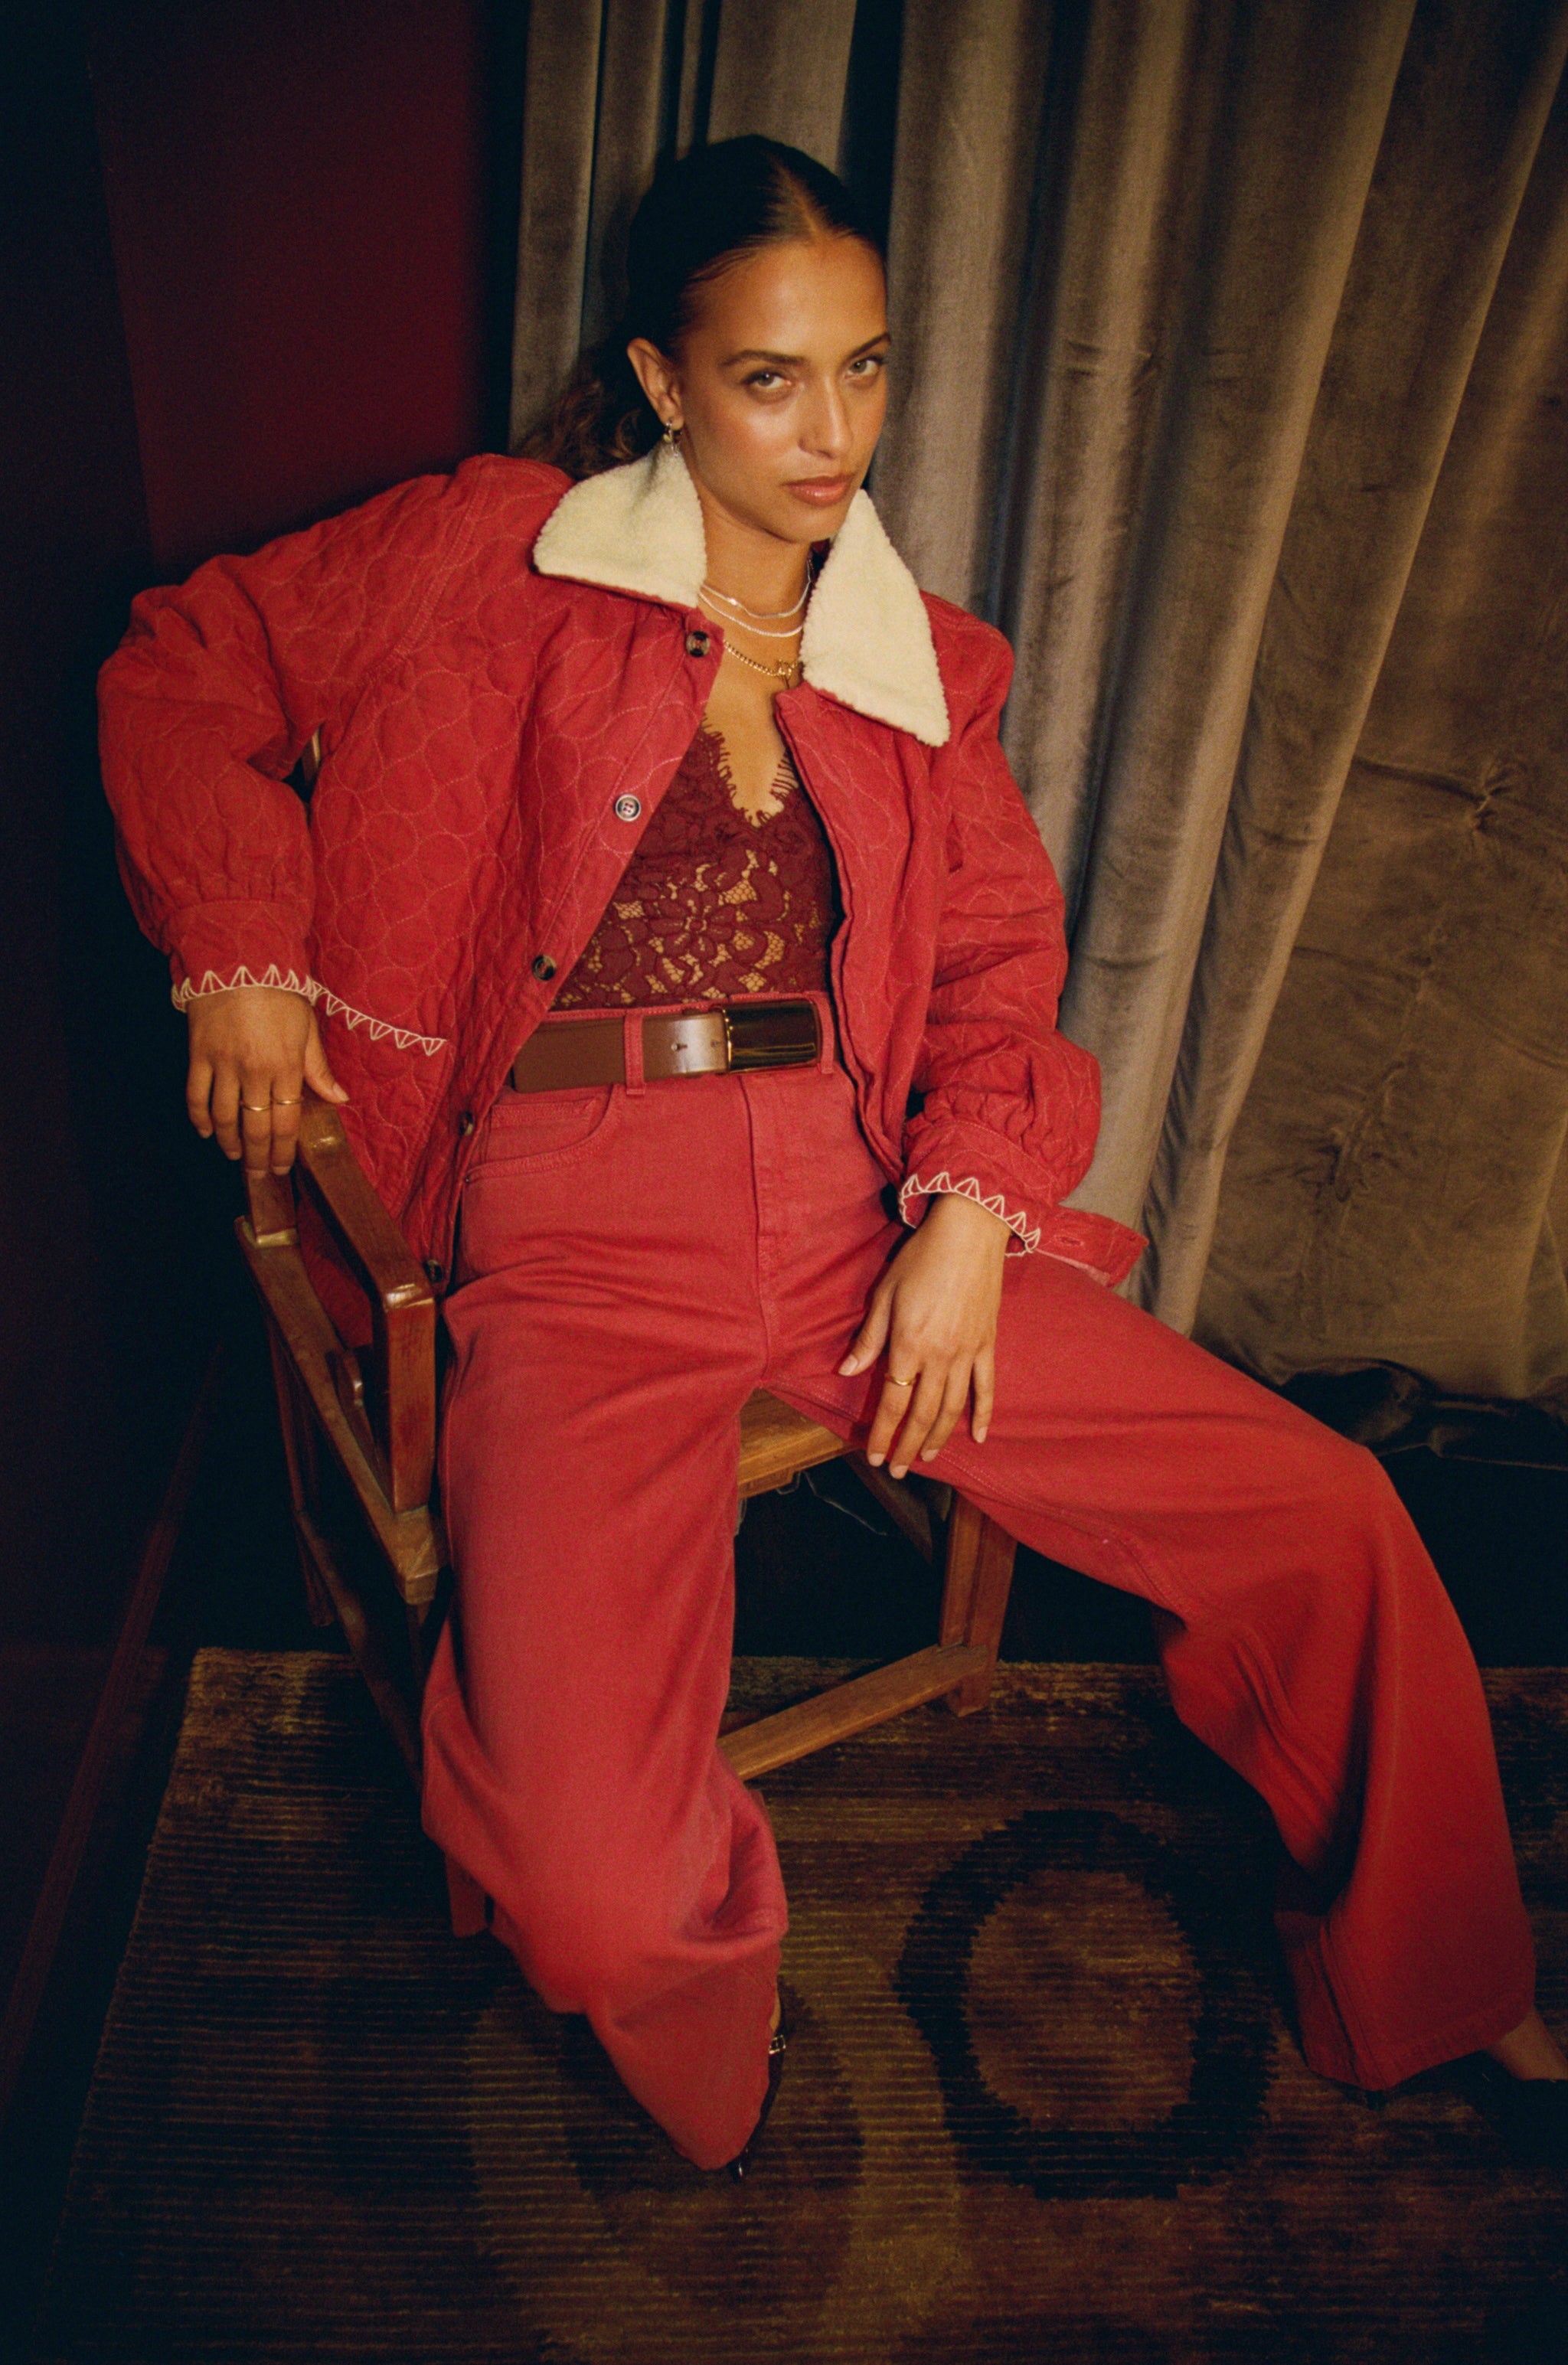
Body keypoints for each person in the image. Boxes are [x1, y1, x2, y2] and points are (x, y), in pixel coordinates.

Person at [100, 136, 1565, 2177]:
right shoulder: (489, 552)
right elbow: (192, 660)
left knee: (1326, 1511)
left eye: (865, 371)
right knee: (594, 1879)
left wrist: (968, 1211)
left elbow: (992, 966)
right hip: (570, 1220)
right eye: (774, 376)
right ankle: (713, 2053)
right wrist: (243, 960)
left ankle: (1438, 1974)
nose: (832, 427)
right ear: (665, 375)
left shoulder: (916, 664)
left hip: (865, 1207)